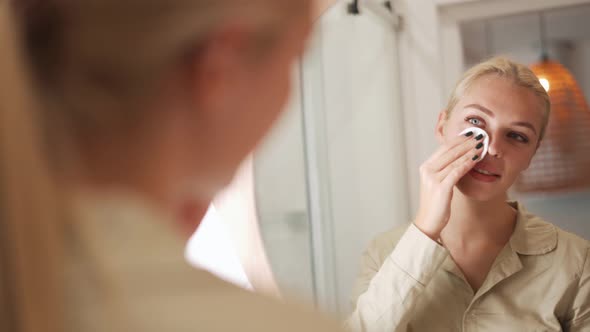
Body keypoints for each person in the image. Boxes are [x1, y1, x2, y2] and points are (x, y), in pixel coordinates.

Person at [348, 57, 590, 331]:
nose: (492, 147)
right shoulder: (382, 254)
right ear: (442, 126)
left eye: (517, 136)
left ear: (531, 156)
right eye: (476, 121)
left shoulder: (577, 262)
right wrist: (425, 230)